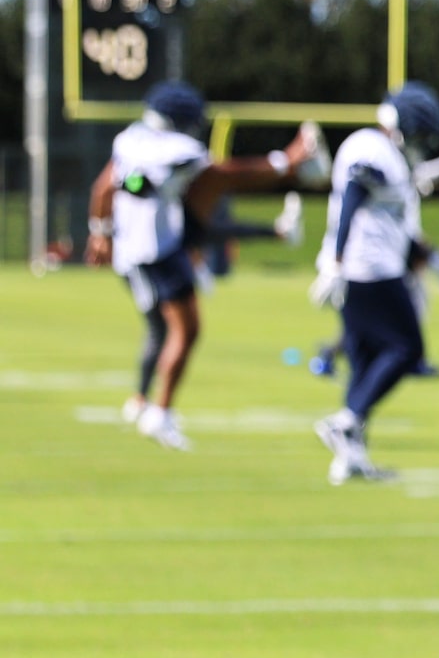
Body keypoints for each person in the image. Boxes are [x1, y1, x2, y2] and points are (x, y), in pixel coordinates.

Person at [86, 82, 322, 452]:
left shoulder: (130, 140)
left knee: (167, 328)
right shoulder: (179, 149)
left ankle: (150, 406)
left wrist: (100, 233)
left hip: (138, 246)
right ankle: (156, 410)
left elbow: (107, 187)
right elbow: (227, 174)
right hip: (157, 250)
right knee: (183, 330)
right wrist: (284, 163)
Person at [312, 82, 439, 485]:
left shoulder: (385, 152)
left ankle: (350, 456)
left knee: (363, 358)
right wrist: (336, 262)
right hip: (368, 268)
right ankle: (347, 421)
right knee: (407, 349)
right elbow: (354, 194)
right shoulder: (373, 148)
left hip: (367, 265)